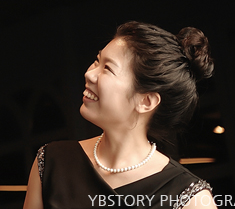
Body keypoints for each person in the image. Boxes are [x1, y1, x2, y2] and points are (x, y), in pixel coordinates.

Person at [23, 22, 216, 209]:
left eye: (107, 68)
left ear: (146, 101)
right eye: (97, 61)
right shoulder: (52, 161)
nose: (89, 74)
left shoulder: (189, 198)